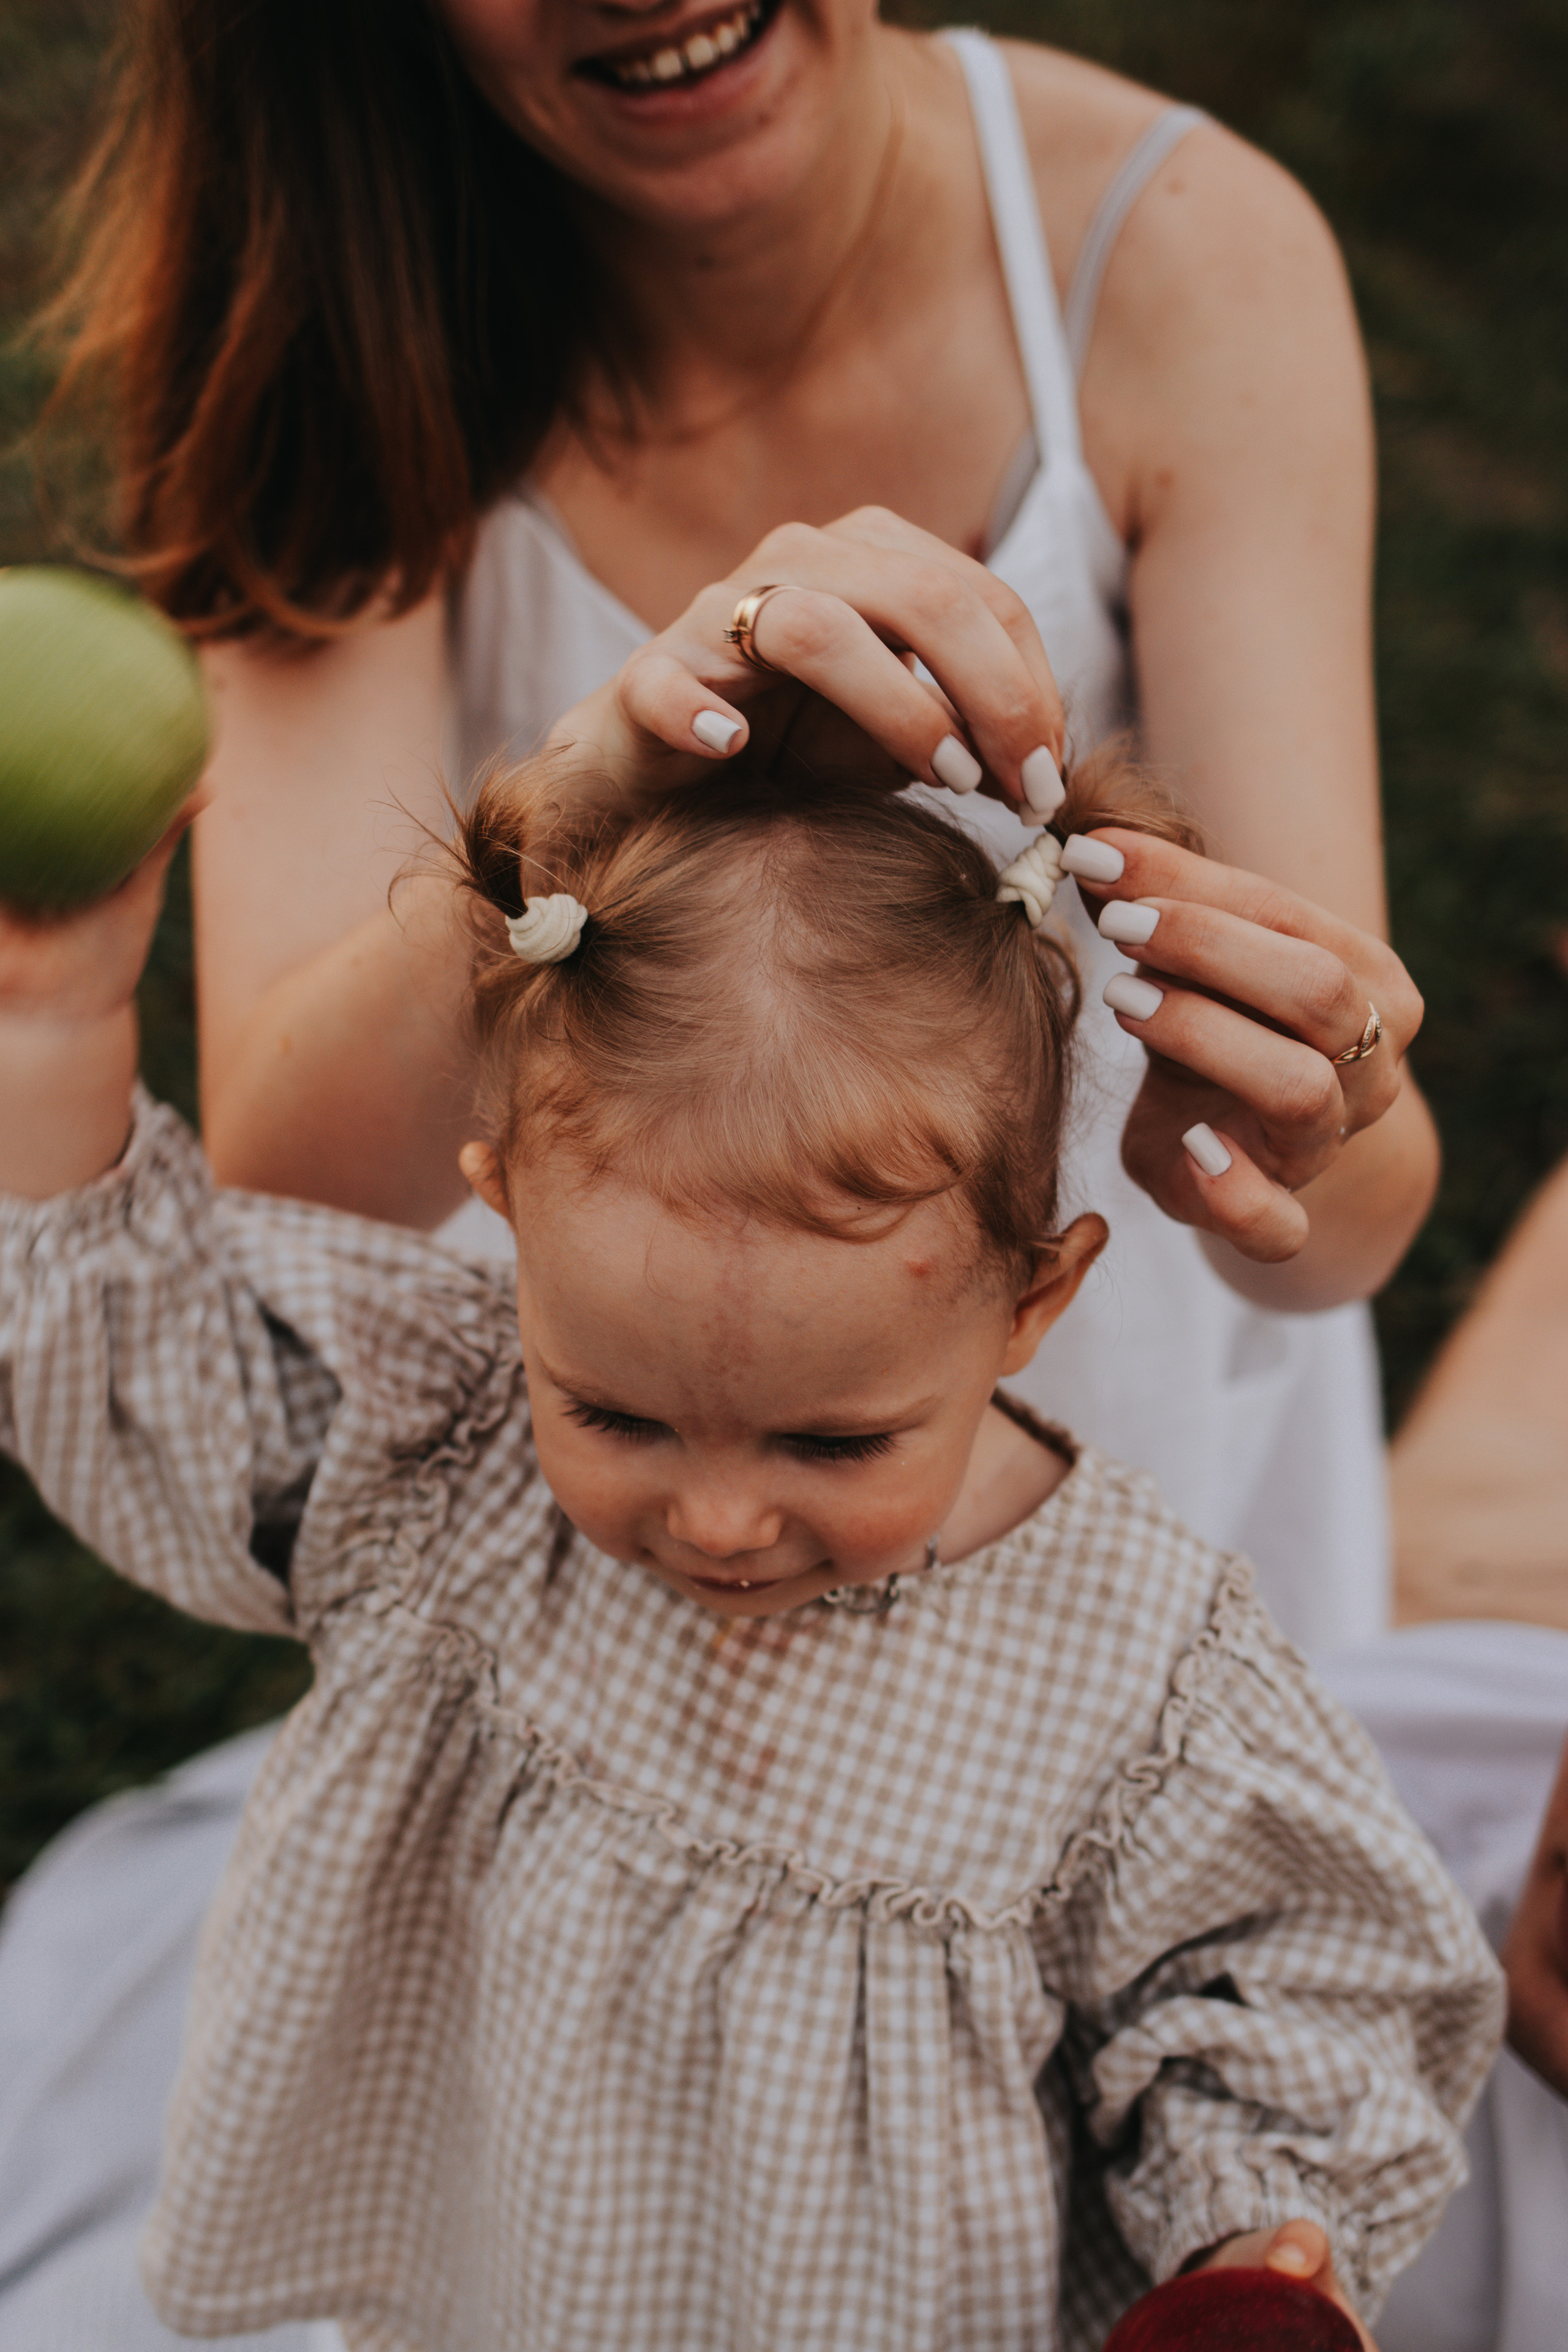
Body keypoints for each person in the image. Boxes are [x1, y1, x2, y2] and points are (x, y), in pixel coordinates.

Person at [0, 703, 1497, 2349]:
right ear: (506, 1218)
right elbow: (144, 1362)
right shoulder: (443, 1450)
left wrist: (1252, 2241)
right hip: (496, 2273)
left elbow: (1279, 1985)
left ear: (1033, 1298)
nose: (715, 1519)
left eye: (833, 1438)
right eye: (620, 1413)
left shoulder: (1140, 1679)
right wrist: (60, 1027)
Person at [48, 1, 1440, 1651]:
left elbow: (1340, 1237)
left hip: (1113, 1532)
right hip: (609, 1497)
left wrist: (1286, 1125)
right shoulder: (341, 318)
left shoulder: (1176, 256)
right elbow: (293, 1202)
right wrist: (559, 818)